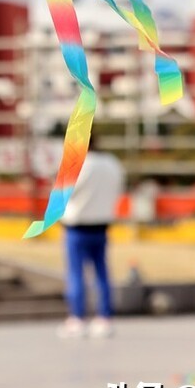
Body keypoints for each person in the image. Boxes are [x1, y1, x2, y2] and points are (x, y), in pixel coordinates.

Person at [57, 134, 125, 339]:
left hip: (77, 227)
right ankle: (104, 317)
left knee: (76, 273)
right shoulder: (112, 164)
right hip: (101, 225)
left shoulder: (79, 166)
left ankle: (77, 318)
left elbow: (64, 193)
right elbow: (119, 189)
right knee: (102, 272)